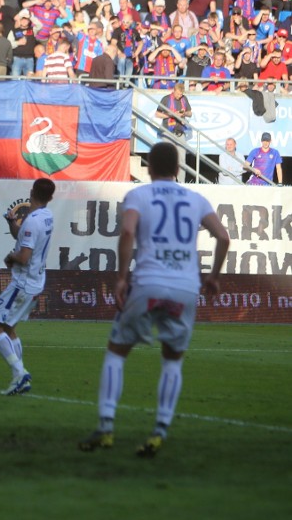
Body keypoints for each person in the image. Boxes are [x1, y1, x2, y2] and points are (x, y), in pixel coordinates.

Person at [79, 142, 230, 456]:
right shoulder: (197, 199)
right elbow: (223, 237)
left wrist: (121, 278)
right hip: (185, 287)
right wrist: (213, 276)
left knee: (117, 352)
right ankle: (159, 430)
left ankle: (106, 426)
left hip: (148, 284)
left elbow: (128, 233)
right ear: (177, 169)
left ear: (148, 168)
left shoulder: (138, 195)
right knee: (172, 359)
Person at [0, 178, 55, 397]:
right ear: (50, 198)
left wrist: (10, 256)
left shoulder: (33, 221)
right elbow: (24, 238)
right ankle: (20, 374)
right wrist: (11, 223)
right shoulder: (46, 217)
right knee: (9, 328)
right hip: (36, 282)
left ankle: (19, 372)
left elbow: (24, 257)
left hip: (22, 284)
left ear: (32, 191)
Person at [155, 82, 191, 170]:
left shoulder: (184, 99)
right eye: (178, 94)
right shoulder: (166, 99)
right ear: (174, 91)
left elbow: (190, 113)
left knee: (182, 159)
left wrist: (184, 113)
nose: (180, 96)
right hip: (168, 131)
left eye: (181, 94)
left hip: (180, 132)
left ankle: (181, 181)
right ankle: (166, 180)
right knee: (167, 158)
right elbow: (157, 114)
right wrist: (171, 115)